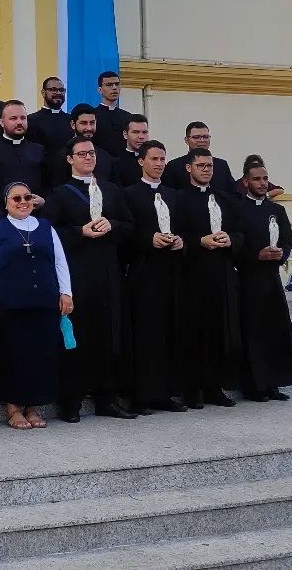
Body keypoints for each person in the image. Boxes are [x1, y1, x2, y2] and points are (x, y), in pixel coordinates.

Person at [45, 136, 136, 422]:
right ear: (70, 159)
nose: (88, 157)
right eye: (81, 153)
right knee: (76, 337)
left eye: (91, 153)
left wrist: (114, 224)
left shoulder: (111, 190)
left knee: (108, 336)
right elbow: (48, 233)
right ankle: (71, 402)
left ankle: (106, 399)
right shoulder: (60, 194)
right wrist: (79, 232)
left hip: (108, 274)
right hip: (77, 275)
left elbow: (130, 226)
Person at [0, 182, 72, 431]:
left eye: (27, 197)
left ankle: (33, 406)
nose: (22, 202)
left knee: (41, 354)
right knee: (14, 354)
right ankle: (13, 408)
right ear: (6, 203)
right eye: (16, 198)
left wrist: (66, 293)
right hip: (11, 304)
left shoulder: (45, 228)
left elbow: (60, 261)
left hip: (44, 302)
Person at [170, 146, 244, 408]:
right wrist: (199, 241)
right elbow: (175, 233)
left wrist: (229, 239)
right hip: (193, 273)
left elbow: (240, 233)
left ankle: (215, 387)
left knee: (219, 331)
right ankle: (192, 389)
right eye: (200, 165)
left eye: (209, 166)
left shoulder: (225, 199)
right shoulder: (178, 198)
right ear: (189, 168)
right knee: (193, 331)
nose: (206, 170)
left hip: (221, 273)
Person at [121, 140, 189, 414]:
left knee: (170, 331)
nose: (159, 164)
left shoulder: (174, 195)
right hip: (144, 271)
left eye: (162, 159)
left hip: (171, 270)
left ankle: (166, 392)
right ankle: (142, 395)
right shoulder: (129, 194)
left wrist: (181, 241)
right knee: (146, 334)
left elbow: (184, 227)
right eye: (154, 159)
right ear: (141, 161)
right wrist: (149, 239)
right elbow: (126, 232)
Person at [233, 157, 292, 402]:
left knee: (276, 331)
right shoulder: (238, 209)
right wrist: (255, 256)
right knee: (254, 332)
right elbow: (236, 245)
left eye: (264, 179)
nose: (262, 184)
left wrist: (282, 253)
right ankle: (254, 386)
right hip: (249, 279)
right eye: (257, 179)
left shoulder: (277, 210)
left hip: (272, 279)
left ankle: (274, 382)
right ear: (245, 181)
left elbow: (288, 240)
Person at [161, 121, 284, 197]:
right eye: (197, 137)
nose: (201, 140)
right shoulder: (174, 166)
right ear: (186, 140)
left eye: (205, 137)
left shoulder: (221, 165)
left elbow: (232, 193)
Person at [0, 100, 47, 223]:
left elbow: (47, 184)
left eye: (23, 118)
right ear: (2, 122)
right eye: (13, 118)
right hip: (0, 217)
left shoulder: (38, 150)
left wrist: (44, 201)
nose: (19, 122)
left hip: (36, 217)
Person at [44, 104, 119, 187]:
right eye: (84, 123)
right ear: (73, 124)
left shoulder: (106, 158)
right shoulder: (60, 157)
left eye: (92, 123)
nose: (89, 128)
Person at [27, 76, 72, 155]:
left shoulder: (71, 120)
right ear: (43, 93)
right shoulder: (31, 120)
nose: (58, 93)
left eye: (61, 90)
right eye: (53, 90)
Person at [93, 71, 131, 158]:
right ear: (100, 90)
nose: (114, 88)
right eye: (109, 85)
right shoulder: (93, 116)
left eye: (117, 84)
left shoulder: (128, 117)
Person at [113, 114, 150, 188]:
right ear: (125, 134)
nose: (141, 137)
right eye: (135, 132)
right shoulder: (115, 164)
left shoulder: (155, 160)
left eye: (144, 132)